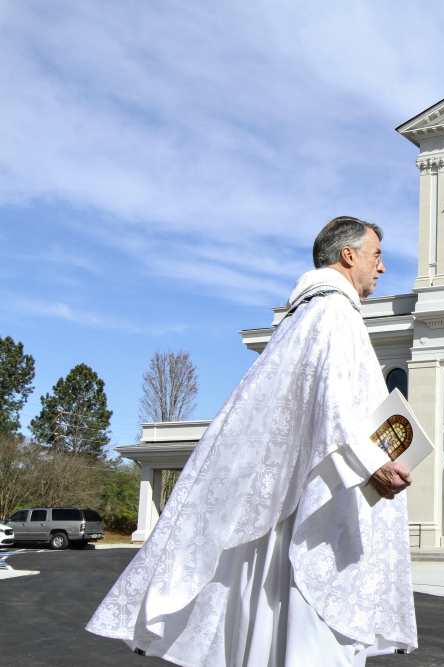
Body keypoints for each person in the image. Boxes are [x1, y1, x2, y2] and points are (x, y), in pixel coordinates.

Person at [88, 217, 418, 667]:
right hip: (316, 511)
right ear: (348, 256)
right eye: (376, 256)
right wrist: (372, 464)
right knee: (305, 635)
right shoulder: (334, 313)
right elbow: (336, 404)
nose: (381, 268)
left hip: (294, 500)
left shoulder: (305, 315)